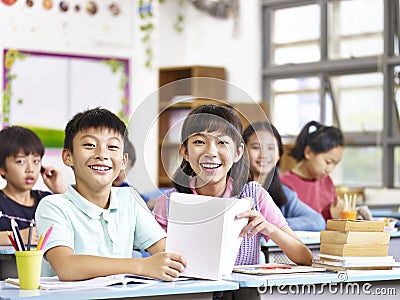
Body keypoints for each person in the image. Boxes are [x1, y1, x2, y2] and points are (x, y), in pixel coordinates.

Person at [35, 107, 186, 281]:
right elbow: (67, 266)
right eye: (90, 145)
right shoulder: (53, 206)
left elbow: (166, 250)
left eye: (112, 146)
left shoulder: (130, 199)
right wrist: (142, 265)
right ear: (68, 156)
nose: (102, 154)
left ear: (123, 161)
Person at [153, 104, 312, 266]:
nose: (211, 152)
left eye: (222, 142)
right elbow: (154, 260)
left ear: (238, 152)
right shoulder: (168, 203)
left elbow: (305, 257)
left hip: (244, 291)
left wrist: (270, 229)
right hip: (189, 291)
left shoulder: (255, 196)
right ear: (185, 152)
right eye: (200, 141)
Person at [242, 121, 326, 231]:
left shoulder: (284, 193)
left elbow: (317, 221)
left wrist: (272, 224)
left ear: (279, 154)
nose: (264, 155)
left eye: (271, 148)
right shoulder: (232, 189)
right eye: (256, 147)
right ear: (242, 152)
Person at [0, 126, 66, 246]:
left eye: (36, 161)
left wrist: (59, 189)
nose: (30, 169)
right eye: (21, 161)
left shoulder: (47, 200)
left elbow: (82, 223)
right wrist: (18, 236)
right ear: (2, 169)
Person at [280, 120, 344, 221]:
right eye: (328, 162)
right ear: (308, 152)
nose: (330, 169)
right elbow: (292, 223)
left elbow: (336, 213)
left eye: (335, 164)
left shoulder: (327, 181)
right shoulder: (285, 184)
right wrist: (328, 214)